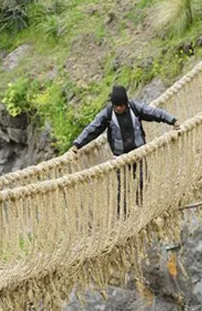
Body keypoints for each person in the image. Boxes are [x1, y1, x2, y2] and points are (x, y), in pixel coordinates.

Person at [69, 86, 181, 215]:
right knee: (122, 188)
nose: (118, 108)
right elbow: (92, 129)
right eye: (116, 106)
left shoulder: (135, 108)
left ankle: (140, 210)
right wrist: (77, 144)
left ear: (126, 104)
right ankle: (123, 216)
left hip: (139, 154)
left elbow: (154, 113)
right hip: (120, 158)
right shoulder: (107, 115)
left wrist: (172, 120)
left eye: (121, 105)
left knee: (142, 181)